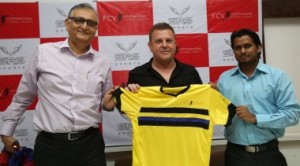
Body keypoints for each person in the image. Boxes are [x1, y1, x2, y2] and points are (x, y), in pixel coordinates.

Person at [0, 3, 112, 166]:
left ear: (95, 29)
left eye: (91, 23)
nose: (84, 26)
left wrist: (111, 103)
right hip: (51, 147)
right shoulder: (44, 52)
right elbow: (22, 98)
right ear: (67, 23)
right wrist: (6, 132)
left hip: (90, 146)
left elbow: (106, 101)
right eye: (79, 20)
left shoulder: (103, 61)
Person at [217, 28, 300, 166]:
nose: (243, 51)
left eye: (247, 46)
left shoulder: (277, 77)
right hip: (235, 155)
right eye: (238, 47)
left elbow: (293, 115)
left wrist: (256, 118)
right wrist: (213, 100)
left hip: (268, 154)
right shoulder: (224, 79)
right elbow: (221, 116)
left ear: (259, 48)